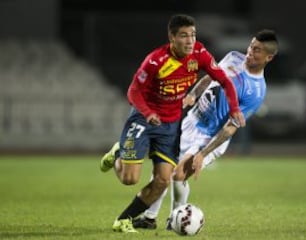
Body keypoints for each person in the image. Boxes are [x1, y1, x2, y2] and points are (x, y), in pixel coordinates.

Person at [99, 14, 245, 233]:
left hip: (170, 125)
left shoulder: (199, 54)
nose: (190, 41)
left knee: (163, 180)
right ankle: (118, 153)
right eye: (184, 36)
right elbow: (133, 91)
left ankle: (124, 220)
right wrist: (148, 113)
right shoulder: (156, 60)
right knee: (130, 179)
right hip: (144, 118)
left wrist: (234, 109)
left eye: (193, 35)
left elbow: (224, 80)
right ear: (172, 37)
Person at [132, 29, 279, 230]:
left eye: (257, 50)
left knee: (178, 174)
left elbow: (230, 128)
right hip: (191, 122)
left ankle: (175, 219)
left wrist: (203, 153)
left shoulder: (256, 91)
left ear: (268, 57)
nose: (250, 52)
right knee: (162, 168)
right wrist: (193, 95)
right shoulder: (234, 57)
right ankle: (149, 218)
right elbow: (210, 77)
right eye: (251, 46)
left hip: (210, 136)